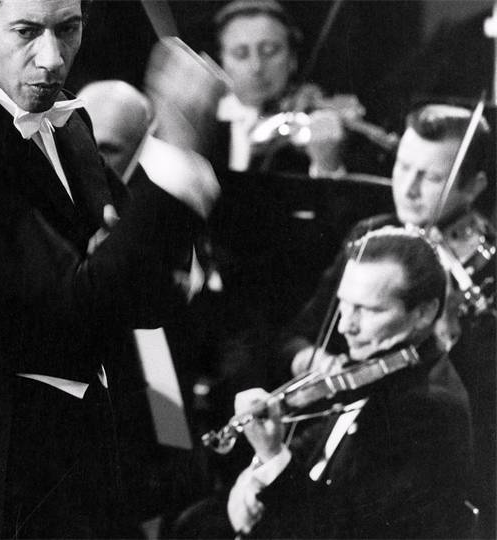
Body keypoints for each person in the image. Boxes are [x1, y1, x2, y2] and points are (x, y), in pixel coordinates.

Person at [0, 0, 221, 537]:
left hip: (85, 463)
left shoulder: (69, 119)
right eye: (27, 31)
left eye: (68, 29)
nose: (53, 58)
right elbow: (79, 306)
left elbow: (144, 298)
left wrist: (113, 265)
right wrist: (177, 154)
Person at [279, 103, 495, 537]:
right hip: (338, 437)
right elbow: (298, 335)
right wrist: (319, 365)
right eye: (402, 167)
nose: (408, 190)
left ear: (473, 187)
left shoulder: (488, 271)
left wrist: (451, 330)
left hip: (426, 461)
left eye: (430, 178)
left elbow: (479, 407)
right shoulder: (371, 239)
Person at [224, 230, 472, 537]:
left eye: (368, 310)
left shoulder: (429, 408)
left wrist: (274, 457)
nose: (345, 326)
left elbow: (345, 530)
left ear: (424, 313)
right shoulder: (380, 365)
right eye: (344, 304)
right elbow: (326, 442)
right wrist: (253, 477)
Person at [209, 0, 351, 176]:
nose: (256, 66)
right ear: (222, 60)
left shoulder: (308, 117)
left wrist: (327, 165)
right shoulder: (206, 121)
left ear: (292, 59)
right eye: (241, 54)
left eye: (269, 51)